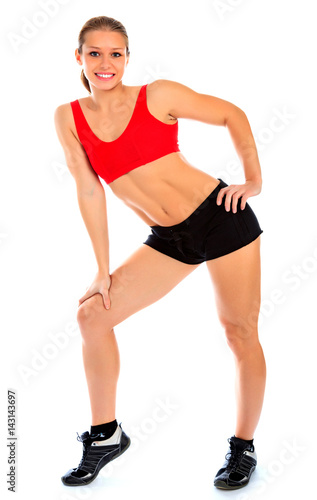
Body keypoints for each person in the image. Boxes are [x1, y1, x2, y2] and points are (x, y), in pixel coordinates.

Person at [54, 15, 266, 490]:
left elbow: (232, 113)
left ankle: (242, 448)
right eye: (95, 53)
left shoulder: (158, 95)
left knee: (239, 333)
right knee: (92, 316)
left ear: (127, 57)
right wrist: (102, 271)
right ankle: (105, 437)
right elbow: (90, 192)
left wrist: (252, 181)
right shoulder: (68, 118)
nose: (105, 63)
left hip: (220, 217)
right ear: (79, 57)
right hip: (168, 239)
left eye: (116, 54)